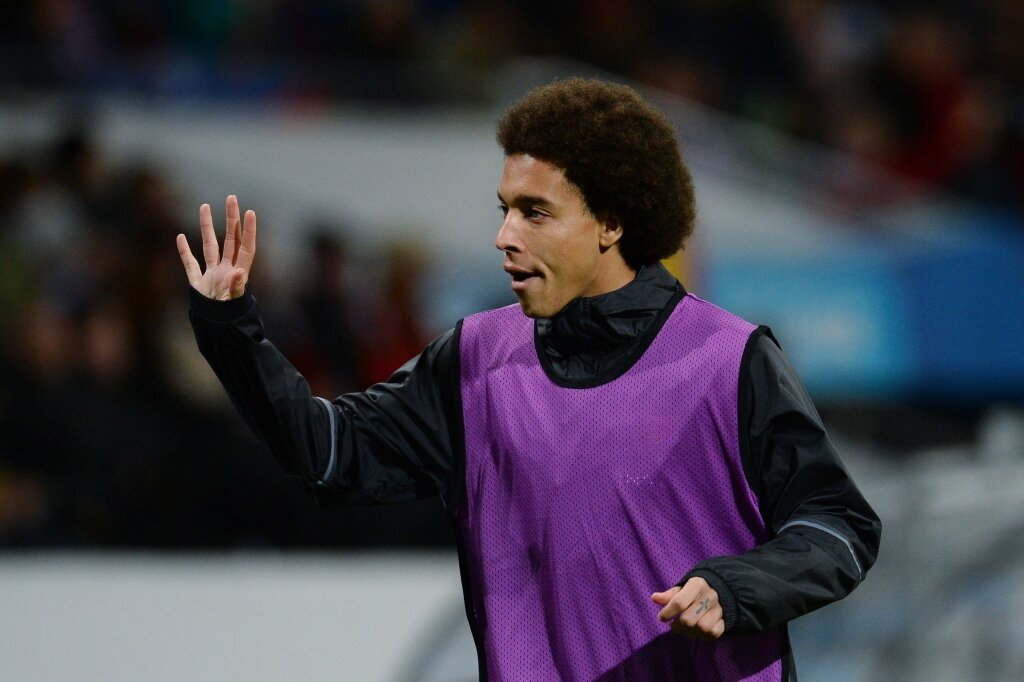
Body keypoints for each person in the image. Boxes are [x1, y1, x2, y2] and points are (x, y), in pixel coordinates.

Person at [176, 78, 880, 681]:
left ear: (610, 222)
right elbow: (327, 454)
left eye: (535, 212)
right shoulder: (474, 360)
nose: (504, 236)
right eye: (505, 209)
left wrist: (736, 587)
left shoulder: (730, 360)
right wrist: (230, 327)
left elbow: (837, 526)